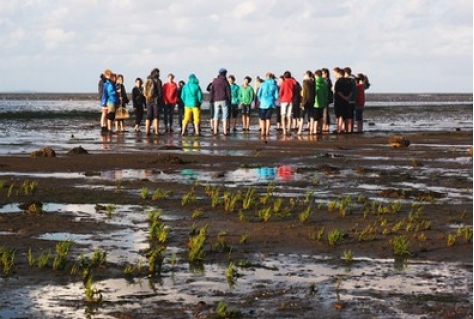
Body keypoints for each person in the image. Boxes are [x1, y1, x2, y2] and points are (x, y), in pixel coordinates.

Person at [210, 68, 231, 136]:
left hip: (216, 100)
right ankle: (225, 131)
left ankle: (215, 130)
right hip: (224, 100)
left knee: (216, 115)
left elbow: (212, 91)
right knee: (225, 116)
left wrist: (211, 99)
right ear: (225, 73)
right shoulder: (225, 81)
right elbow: (228, 92)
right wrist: (229, 100)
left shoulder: (215, 81)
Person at [256, 72, 279, 137]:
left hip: (263, 103)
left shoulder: (263, 84)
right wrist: (273, 100)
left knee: (262, 118)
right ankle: (267, 132)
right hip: (271, 103)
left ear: (266, 77)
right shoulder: (275, 85)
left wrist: (261, 100)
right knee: (268, 118)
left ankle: (263, 131)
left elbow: (258, 94)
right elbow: (276, 96)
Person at [333, 67, 352, 133]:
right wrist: (347, 97)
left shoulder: (338, 81)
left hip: (339, 100)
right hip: (346, 101)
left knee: (339, 116)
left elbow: (338, 91)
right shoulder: (348, 81)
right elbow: (351, 91)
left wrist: (344, 97)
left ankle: (339, 129)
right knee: (345, 116)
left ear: (339, 74)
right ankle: (346, 129)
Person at [144, 68, 162, 135]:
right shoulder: (158, 81)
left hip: (148, 100)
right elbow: (160, 92)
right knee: (156, 116)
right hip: (155, 100)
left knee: (148, 116)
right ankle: (156, 131)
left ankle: (147, 131)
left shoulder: (148, 79)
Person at [279, 71, 297, 136]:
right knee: (289, 116)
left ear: (284, 76)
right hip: (291, 100)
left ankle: (284, 130)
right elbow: (295, 91)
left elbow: (281, 92)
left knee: (283, 116)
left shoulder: (284, 83)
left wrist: (280, 98)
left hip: (284, 100)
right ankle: (288, 130)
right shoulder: (293, 83)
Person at [100, 70, 119, 134]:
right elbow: (108, 92)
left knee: (106, 114)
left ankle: (105, 127)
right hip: (106, 100)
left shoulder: (108, 83)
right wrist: (116, 92)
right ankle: (104, 128)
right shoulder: (107, 83)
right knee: (105, 114)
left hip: (107, 100)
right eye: (110, 75)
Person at [313, 70, 328, 134]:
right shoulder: (324, 83)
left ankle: (315, 130)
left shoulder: (315, 83)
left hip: (316, 102)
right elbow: (326, 93)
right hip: (323, 102)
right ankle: (321, 129)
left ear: (316, 75)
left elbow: (314, 92)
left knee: (316, 118)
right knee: (321, 117)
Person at [344, 67, 357, 133]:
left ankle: (347, 129)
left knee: (348, 116)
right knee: (351, 116)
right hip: (353, 100)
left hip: (348, 100)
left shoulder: (349, 80)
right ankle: (351, 129)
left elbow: (349, 90)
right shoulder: (353, 80)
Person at [321, 68, 333, 133]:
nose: (322, 75)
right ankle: (325, 125)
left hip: (326, 98)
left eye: (323, 73)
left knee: (325, 113)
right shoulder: (326, 80)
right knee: (324, 113)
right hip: (324, 98)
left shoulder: (327, 80)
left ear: (326, 74)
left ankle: (325, 125)